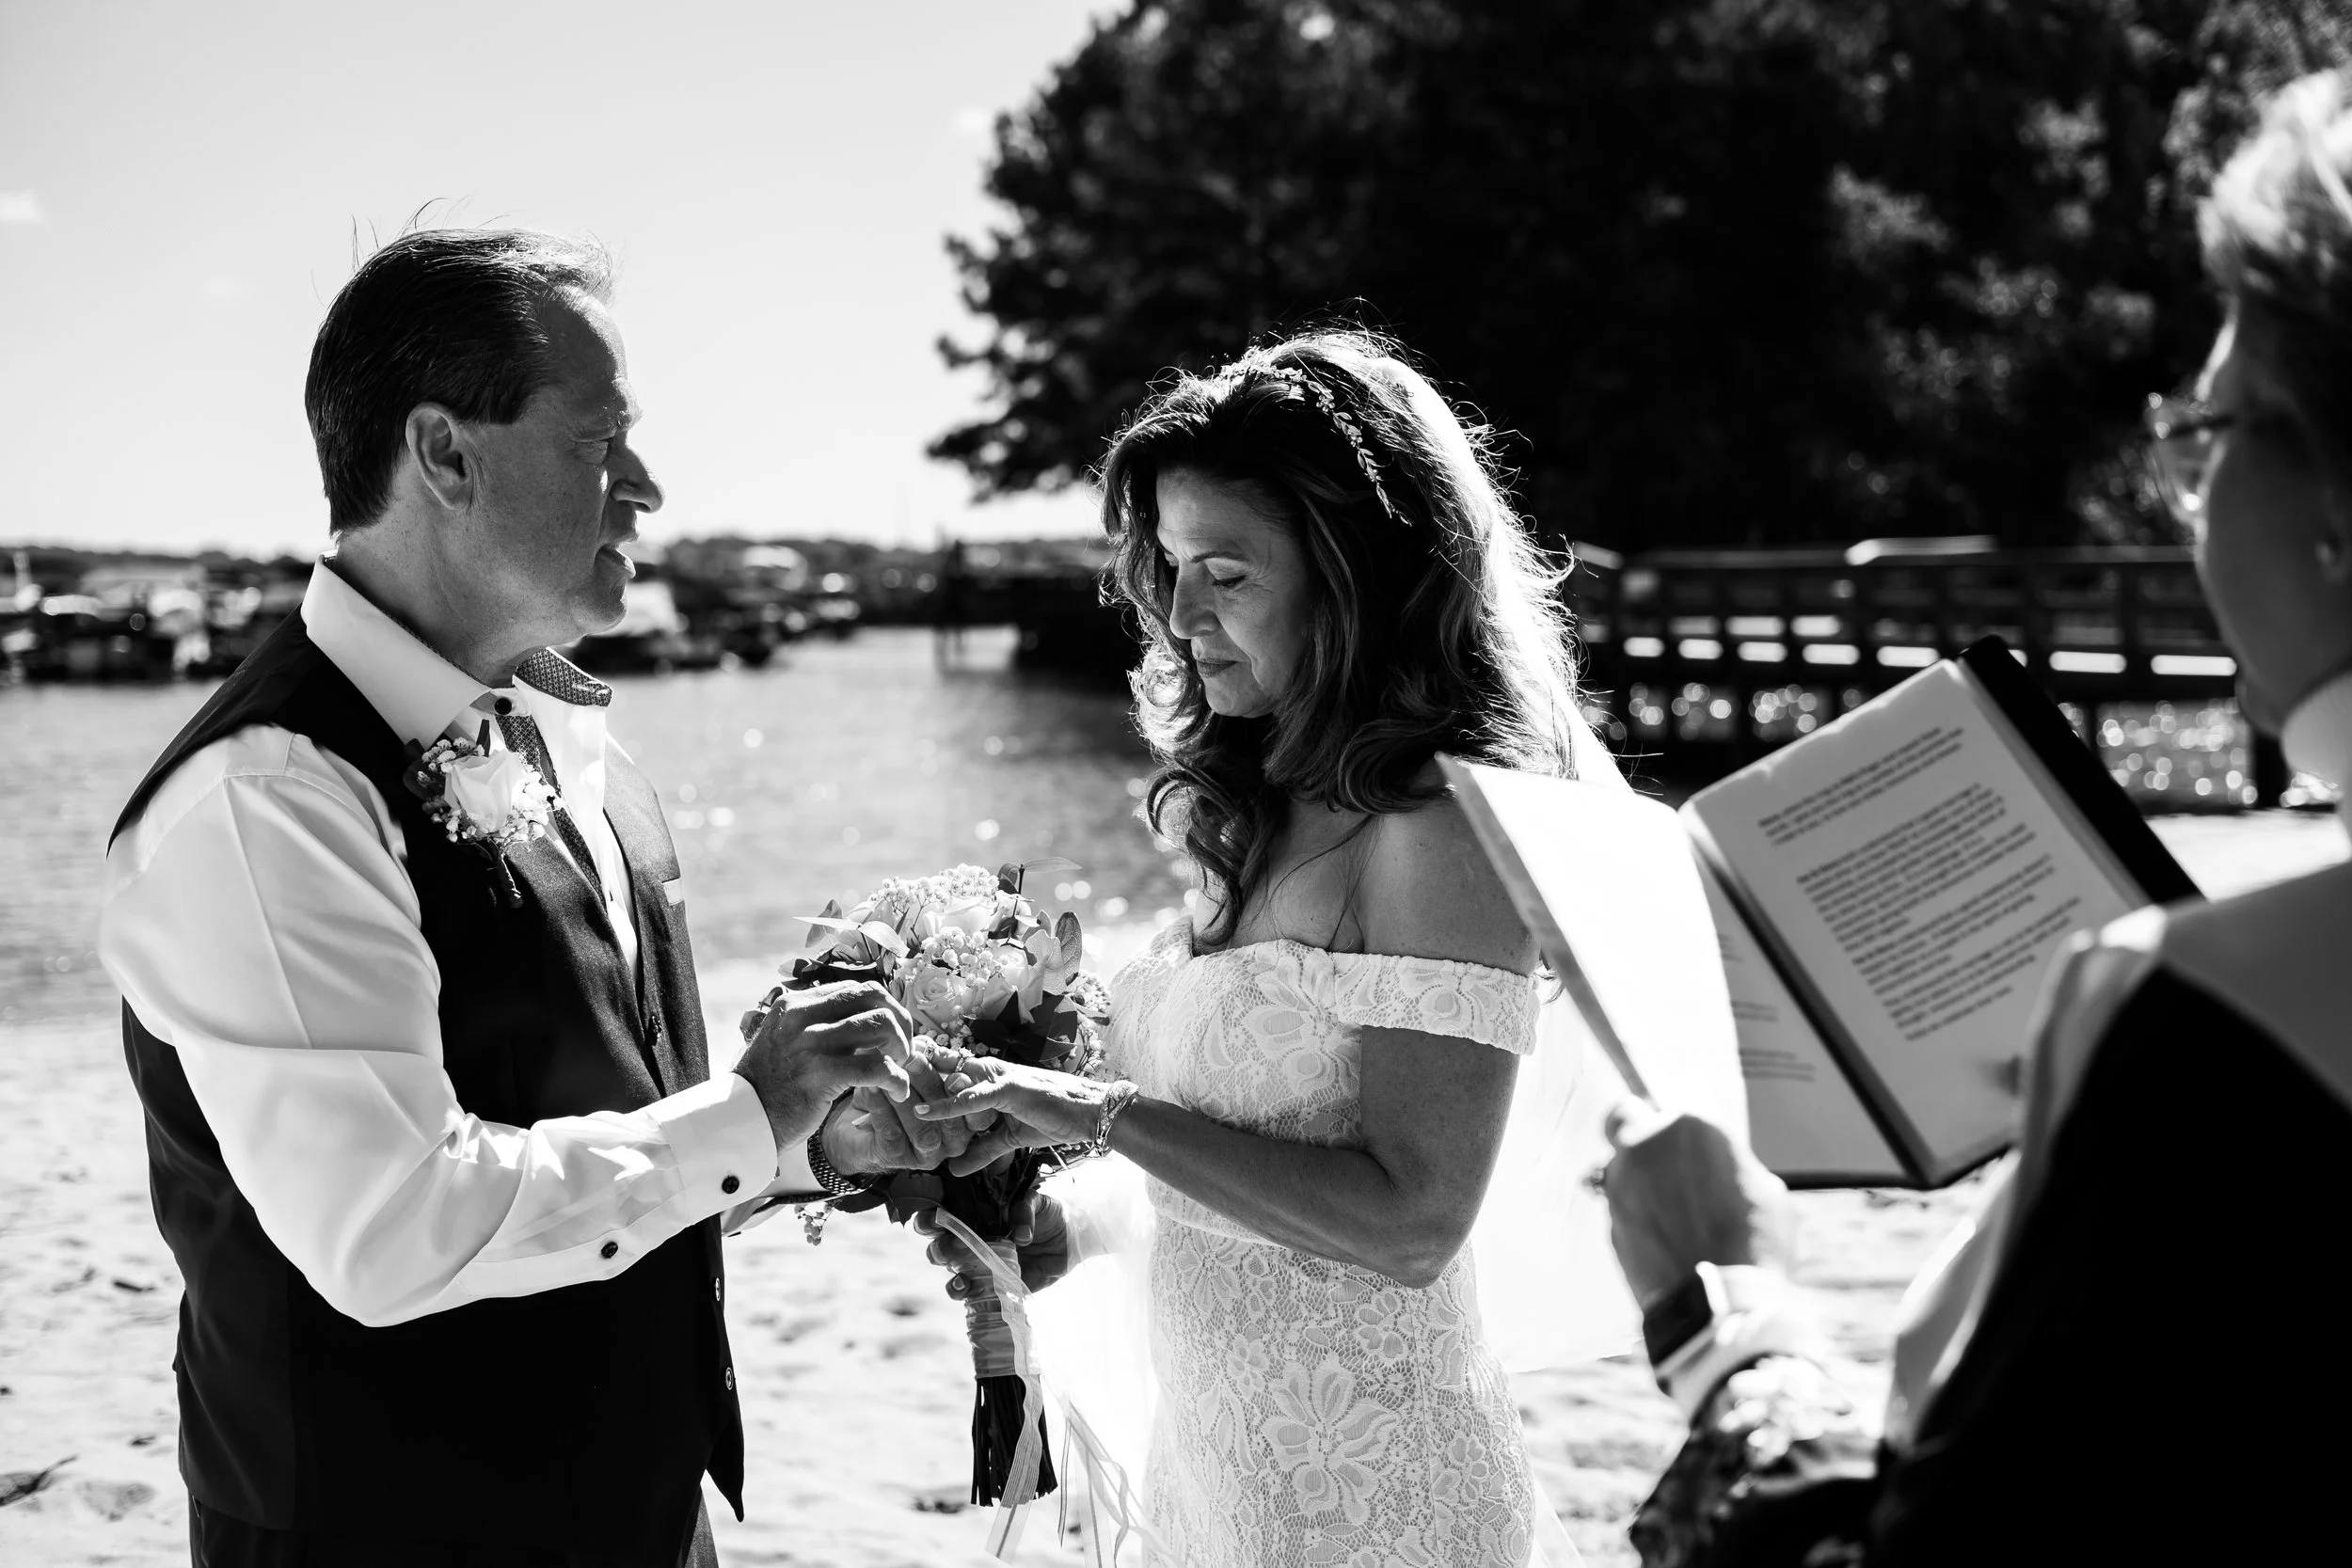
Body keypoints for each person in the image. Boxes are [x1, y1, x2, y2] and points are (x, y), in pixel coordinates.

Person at [97, 228, 970, 1568]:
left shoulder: (573, 737)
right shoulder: (266, 794)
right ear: (445, 453)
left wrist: (810, 1145)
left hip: (641, 1511)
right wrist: (748, 1110)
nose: (651, 487)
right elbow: (389, 1222)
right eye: (600, 440)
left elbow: (612, 1117)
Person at [1592, 68, 2352, 1566]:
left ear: (2337, 487)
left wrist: (1724, 1319)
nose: (2188, 504)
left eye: (2205, 439)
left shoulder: (2206, 1014)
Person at [913, 330, 1643, 1567]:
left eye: (1228, 572)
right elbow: (1235, 1161)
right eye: (1174, 564)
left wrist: (1084, 1108)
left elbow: (1412, 1219)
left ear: (1354, 573)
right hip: (1212, 1483)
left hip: (1380, 1506)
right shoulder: (1243, 805)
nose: (1180, 612)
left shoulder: (1441, 828)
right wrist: (1066, 1234)